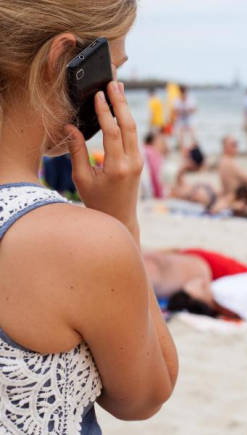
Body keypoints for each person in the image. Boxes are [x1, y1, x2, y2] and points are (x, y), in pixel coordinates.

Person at [0, 1, 178, 432]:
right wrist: (120, 222)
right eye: (109, 69)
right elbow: (147, 395)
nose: (111, 86)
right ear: (61, 60)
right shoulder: (81, 245)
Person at [143, 132, 168, 199]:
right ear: (154, 142)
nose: (164, 144)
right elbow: (157, 178)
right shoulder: (153, 154)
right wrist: (161, 196)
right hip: (154, 195)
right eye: (161, 142)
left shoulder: (145, 151)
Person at [173, 85, 197, 151]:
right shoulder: (177, 100)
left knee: (193, 136)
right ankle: (183, 150)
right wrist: (183, 111)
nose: (183, 94)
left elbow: (194, 110)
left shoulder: (190, 99)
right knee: (181, 136)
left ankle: (194, 149)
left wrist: (186, 111)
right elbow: (175, 111)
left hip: (189, 119)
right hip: (181, 120)